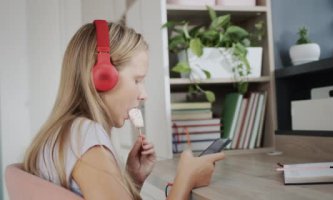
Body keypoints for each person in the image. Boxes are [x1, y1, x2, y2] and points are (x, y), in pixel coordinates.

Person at [23, 19, 225, 200]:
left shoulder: (67, 133)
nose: (144, 94)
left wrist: (132, 178)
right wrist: (186, 178)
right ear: (103, 77)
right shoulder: (84, 137)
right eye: (137, 80)